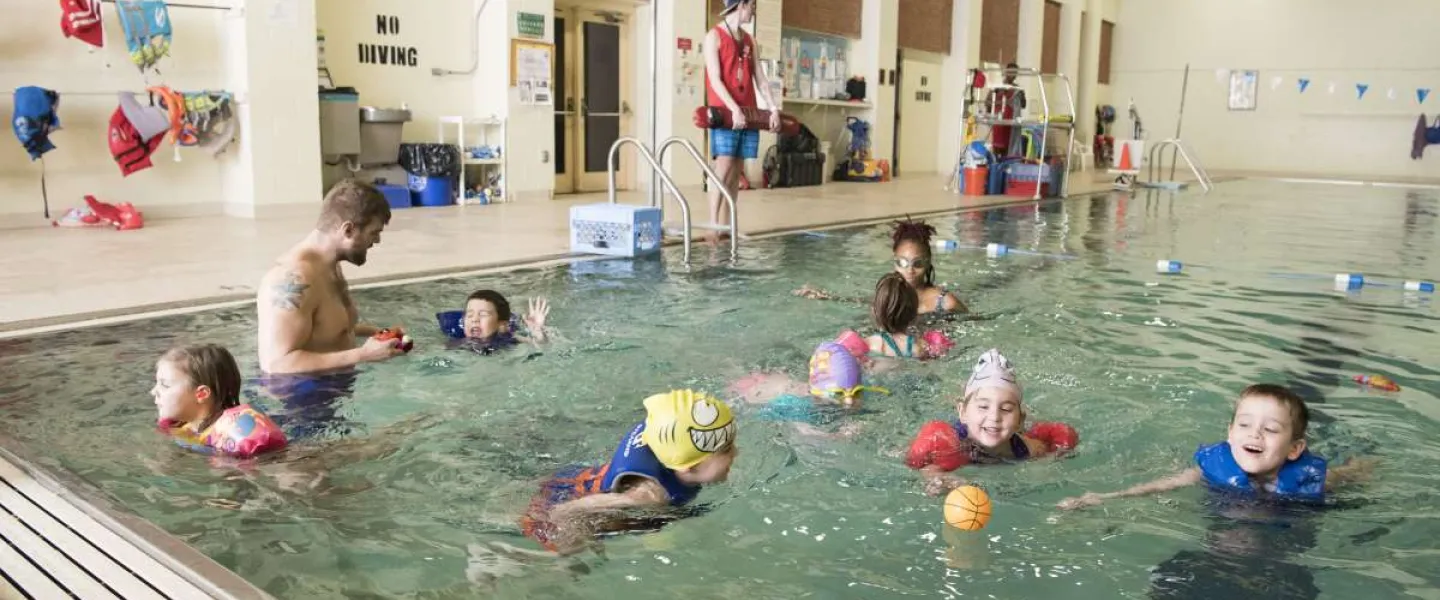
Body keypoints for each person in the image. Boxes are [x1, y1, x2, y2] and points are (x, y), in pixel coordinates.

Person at [1057, 384, 1374, 510]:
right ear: (1230, 434)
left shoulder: (1310, 478)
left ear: (1294, 449)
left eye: (1271, 429)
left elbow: (1349, 476)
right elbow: (1160, 485)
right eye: (1245, 425)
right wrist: (1104, 497)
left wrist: (1364, 467)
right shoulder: (1211, 468)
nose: (1255, 435)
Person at [519, 389, 738, 555]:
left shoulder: (670, 446)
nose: (737, 452)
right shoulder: (647, 495)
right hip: (555, 502)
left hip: (574, 477)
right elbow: (564, 512)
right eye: (727, 449)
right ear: (689, 465)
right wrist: (574, 549)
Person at [257, 179, 406, 375]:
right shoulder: (292, 280)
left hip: (333, 389)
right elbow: (276, 364)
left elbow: (330, 329)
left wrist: (379, 334)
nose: (377, 241)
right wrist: (363, 354)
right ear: (348, 230)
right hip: (300, 399)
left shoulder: (329, 265)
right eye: (373, 233)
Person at [906, 349, 1079, 495]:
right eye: (983, 407)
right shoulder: (945, 445)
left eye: (1006, 409)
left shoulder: (1029, 450)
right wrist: (941, 480)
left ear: (1020, 420)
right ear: (962, 412)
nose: (994, 417)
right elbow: (927, 469)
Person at [703, 0, 780, 239]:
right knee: (723, 166)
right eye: (752, 5)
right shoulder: (713, 37)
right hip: (725, 114)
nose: (754, 10)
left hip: (748, 114)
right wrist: (733, 108)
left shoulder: (749, 41)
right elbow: (715, 79)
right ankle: (713, 226)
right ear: (741, 5)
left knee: (737, 171)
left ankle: (728, 225)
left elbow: (760, 78)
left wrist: (773, 107)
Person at [795, 218, 969, 316]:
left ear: (928, 261)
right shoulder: (890, 294)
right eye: (902, 262)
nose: (909, 270)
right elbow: (868, 301)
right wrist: (829, 297)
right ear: (894, 260)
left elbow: (973, 320)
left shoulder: (944, 301)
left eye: (917, 263)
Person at [153, 344, 287, 458]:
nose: (154, 391)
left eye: (165, 385)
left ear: (201, 394)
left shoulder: (236, 433)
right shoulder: (179, 425)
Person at [448, 289, 549, 354]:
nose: (474, 319)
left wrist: (537, 331)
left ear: (501, 323)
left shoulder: (510, 339)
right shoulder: (458, 345)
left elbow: (542, 346)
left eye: (483, 314)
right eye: (469, 315)